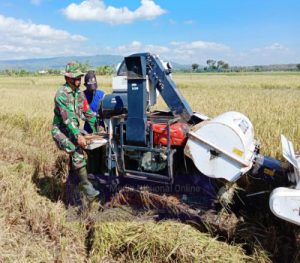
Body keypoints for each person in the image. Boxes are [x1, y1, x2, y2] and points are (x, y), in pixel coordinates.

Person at [51, 62, 100, 202]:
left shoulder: (79, 93)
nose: (78, 80)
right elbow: (68, 119)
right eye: (75, 78)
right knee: (77, 151)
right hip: (60, 130)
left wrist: (98, 130)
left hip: (73, 129)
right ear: (67, 78)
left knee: (89, 148)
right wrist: (78, 135)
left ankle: (75, 178)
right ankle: (87, 188)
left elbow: (87, 112)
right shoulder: (61, 95)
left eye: (79, 77)